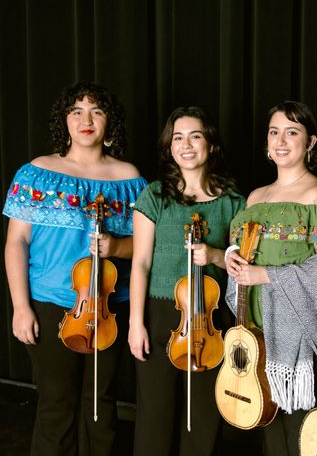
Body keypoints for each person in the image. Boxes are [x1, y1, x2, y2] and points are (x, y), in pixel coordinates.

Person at [2, 80, 147, 456]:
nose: (86, 119)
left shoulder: (129, 179)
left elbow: (147, 247)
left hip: (110, 305)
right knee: (56, 406)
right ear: (64, 121)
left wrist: (117, 246)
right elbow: (16, 242)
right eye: (76, 111)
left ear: (108, 122)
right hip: (50, 303)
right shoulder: (38, 172)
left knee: (101, 407)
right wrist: (21, 307)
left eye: (96, 111)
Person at [224, 100, 317, 456]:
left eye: (292, 132)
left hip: (300, 337)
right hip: (260, 333)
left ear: (310, 143)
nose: (281, 140)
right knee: (270, 431)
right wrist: (232, 260)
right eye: (274, 131)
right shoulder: (255, 197)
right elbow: (239, 251)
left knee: (300, 437)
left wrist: (264, 274)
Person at [128, 105, 246, 456]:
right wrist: (137, 322)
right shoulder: (155, 195)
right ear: (169, 147)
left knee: (203, 416)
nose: (187, 145)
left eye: (195, 136)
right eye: (178, 137)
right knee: (155, 412)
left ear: (210, 145)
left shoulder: (234, 202)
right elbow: (141, 262)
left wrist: (214, 255)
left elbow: (242, 266)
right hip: (161, 311)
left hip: (210, 317)